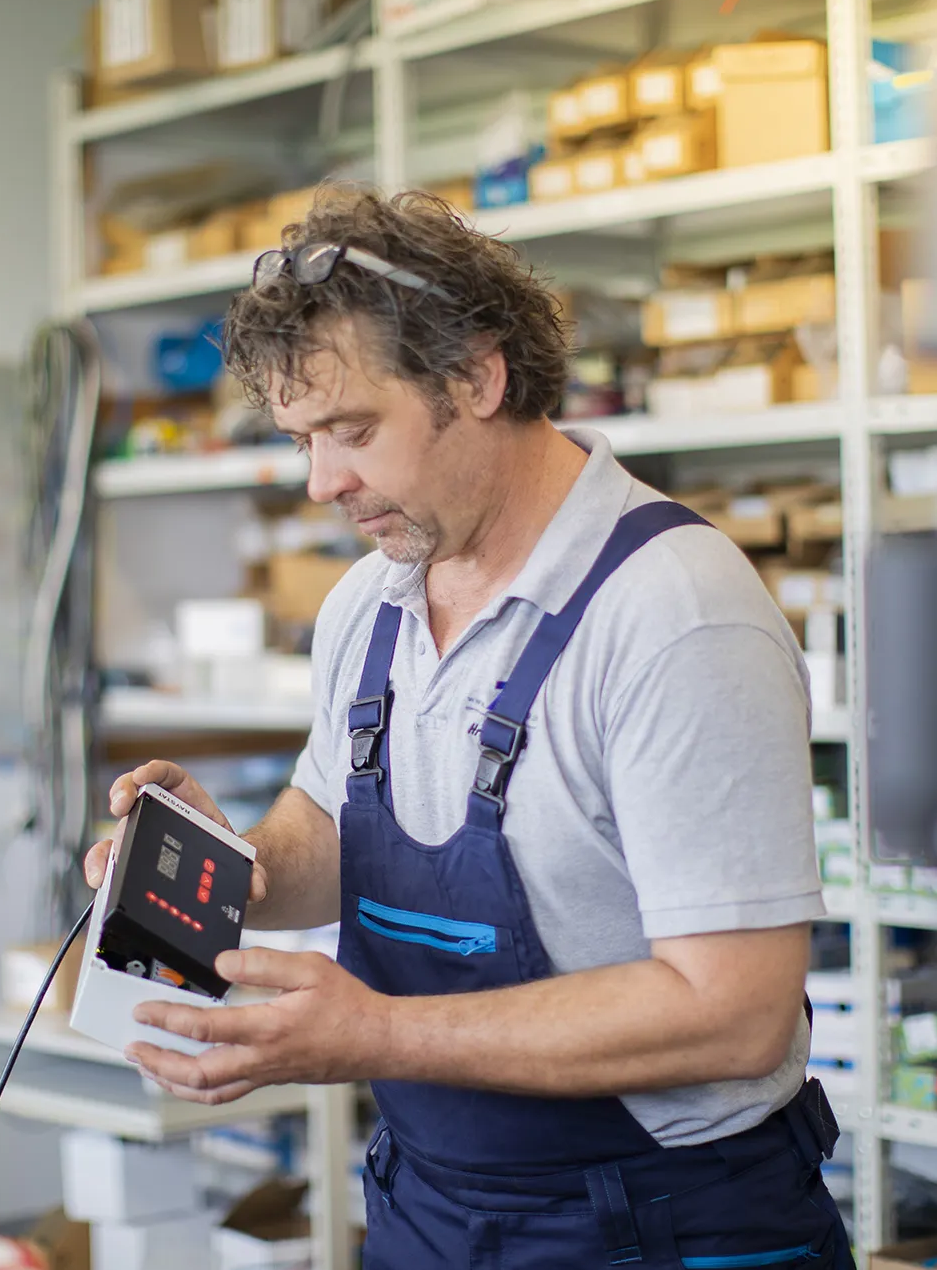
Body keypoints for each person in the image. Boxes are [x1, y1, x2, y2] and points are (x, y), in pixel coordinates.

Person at [84, 187, 853, 1270]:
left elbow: (734, 1015)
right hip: (432, 1207)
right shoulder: (372, 598)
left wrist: (373, 1033)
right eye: (303, 440)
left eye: (352, 431)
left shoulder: (673, 614)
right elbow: (335, 825)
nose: (322, 482)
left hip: (660, 1225)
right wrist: (237, 867)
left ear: (476, 378)